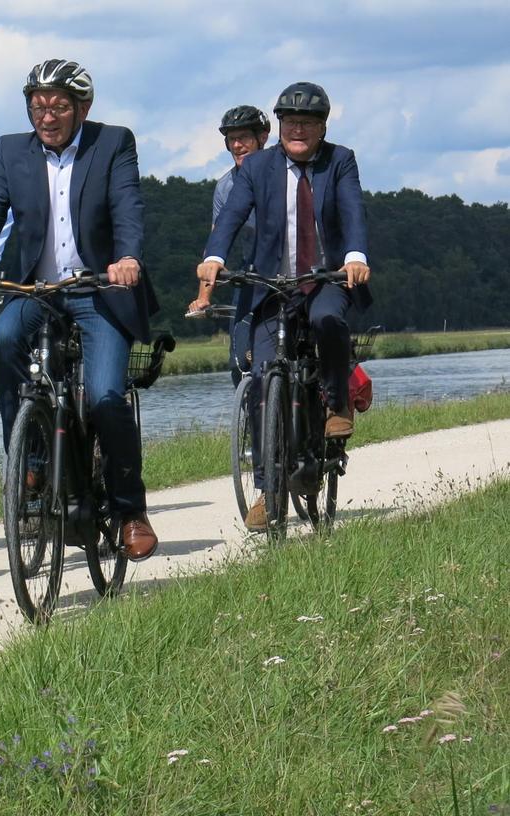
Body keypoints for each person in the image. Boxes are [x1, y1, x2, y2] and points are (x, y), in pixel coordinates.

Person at [0, 58, 161, 561]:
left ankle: (130, 510)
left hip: (99, 289)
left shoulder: (113, 143)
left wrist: (127, 258)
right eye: (38, 107)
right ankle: (31, 458)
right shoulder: (10, 150)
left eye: (59, 106)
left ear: (82, 108)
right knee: (1, 342)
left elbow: (128, 206)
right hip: (36, 289)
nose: (47, 116)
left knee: (107, 396)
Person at [198, 82, 372, 530]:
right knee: (261, 379)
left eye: (308, 124)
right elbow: (233, 215)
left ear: (322, 127)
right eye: (291, 123)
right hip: (272, 284)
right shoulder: (257, 167)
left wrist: (354, 255)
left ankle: (336, 404)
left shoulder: (340, 160)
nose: (298, 130)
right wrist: (214, 258)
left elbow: (352, 209)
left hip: (325, 277)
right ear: (278, 127)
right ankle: (266, 489)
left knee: (329, 318)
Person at [188, 105, 272, 384]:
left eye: (244, 137)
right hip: (253, 275)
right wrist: (204, 298)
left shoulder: (284, 173)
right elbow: (215, 244)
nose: (237, 145)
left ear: (263, 137)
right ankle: (255, 422)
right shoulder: (226, 187)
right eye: (230, 139)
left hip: (295, 270)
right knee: (240, 363)